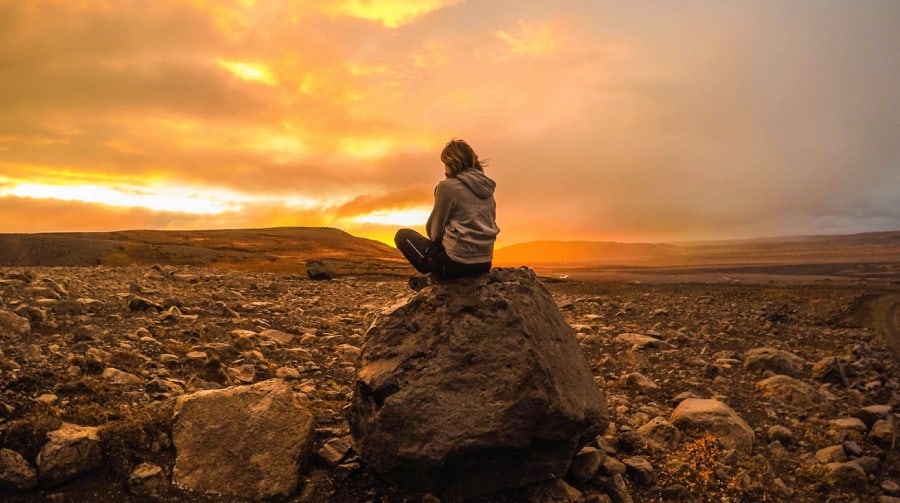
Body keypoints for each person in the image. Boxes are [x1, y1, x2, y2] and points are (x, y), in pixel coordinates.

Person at [395, 138, 500, 281]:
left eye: (445, 165)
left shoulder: (447, 187)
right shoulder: (486, 187)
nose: (445, 170)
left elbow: (435, 235)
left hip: (455, 265)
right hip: (484, 263)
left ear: (452, 163)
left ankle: (436, 279)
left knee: (402, 236)